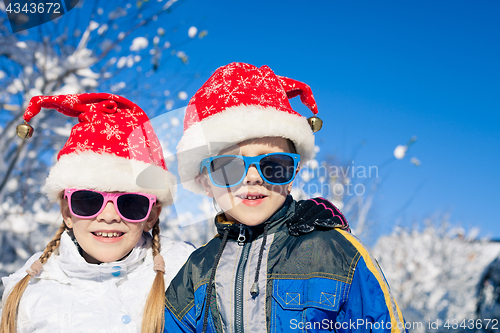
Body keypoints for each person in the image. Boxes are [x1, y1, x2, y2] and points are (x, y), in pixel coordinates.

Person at [164, 62, 408, 332]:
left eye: (273, 165)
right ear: (206, 181)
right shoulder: (195, 274)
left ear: (293, 174)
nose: (253, 177)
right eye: (230, 166)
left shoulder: (338, 254)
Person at [0, 93, 194, 333]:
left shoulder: (186, 272)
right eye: (88, 201)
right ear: (67, 212)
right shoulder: (30, 293)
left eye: (131, 203)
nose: (109, 216)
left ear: (151, 215)